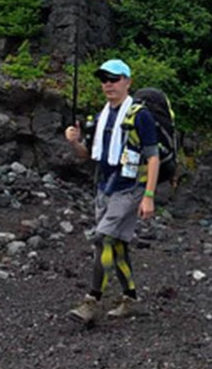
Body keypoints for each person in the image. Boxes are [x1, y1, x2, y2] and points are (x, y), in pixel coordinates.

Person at [63, 59, 159, 324]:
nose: (108, 84)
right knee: (116, 244)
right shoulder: (100, 118)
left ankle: (91, 301)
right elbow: (88, 156)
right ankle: (131, 299)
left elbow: (153, 157)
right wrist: (74, 143)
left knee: (103, 239)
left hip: (129, 189)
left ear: (127, 81)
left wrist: (149, 196)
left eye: (114, 78)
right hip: (104, 188)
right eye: (104, 79)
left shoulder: (140, 116)